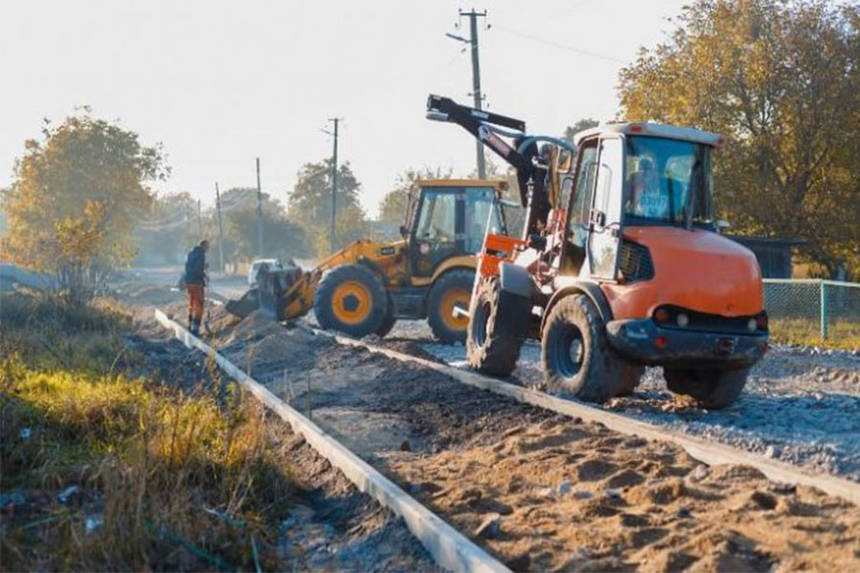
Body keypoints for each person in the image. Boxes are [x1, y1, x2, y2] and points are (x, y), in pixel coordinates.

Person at [184, 240, 209, 335]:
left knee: (192, 303)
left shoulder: (191, 254)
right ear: (204, 246)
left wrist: (204, 267)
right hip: (197, 282)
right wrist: (205, 276)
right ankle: (195, 328)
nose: (208, 249)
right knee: (199, 304)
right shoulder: (201, 254)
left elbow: (190, 266)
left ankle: (190, 324)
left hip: (189, 282)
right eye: (207, 247)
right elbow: (197, 269)